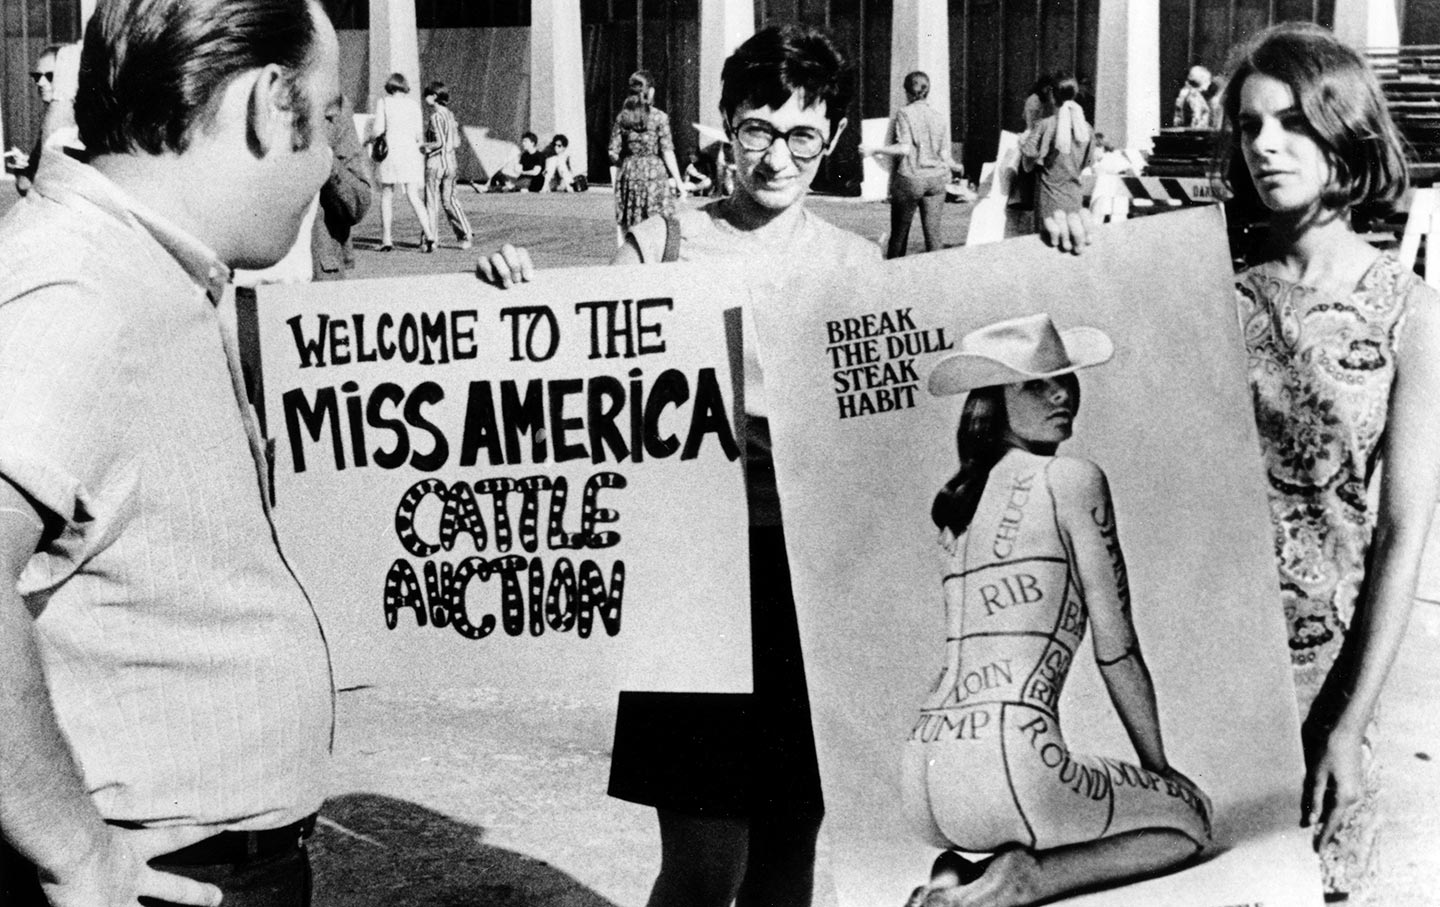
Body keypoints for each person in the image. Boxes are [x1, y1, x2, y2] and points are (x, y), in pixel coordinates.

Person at [481, 25, 879, 907]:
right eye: (757, 131)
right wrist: (506, 302)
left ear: (836, 140)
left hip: (807, 591)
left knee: (788, 859)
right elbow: (570, 381)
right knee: (703, 869)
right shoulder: (659, 244)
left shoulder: (859, 265)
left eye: (803, 135)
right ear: (723, 128)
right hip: (692, 582)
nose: (778, 157)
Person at [0, 1, 341, 905]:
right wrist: (74, 849)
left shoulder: (137, 268)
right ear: (272, 105)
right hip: (160, 870)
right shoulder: (79, 283)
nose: (334, 159)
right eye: (331, 116)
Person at [1220, 23, 1440, 904]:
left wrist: (1350, 723)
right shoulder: (1204, 286)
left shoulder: (1408, 312)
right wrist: (1066, 233)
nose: (1266, 143)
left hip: (1325, 678)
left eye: (1292, 122)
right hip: (1202, 660)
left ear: (1342, 130)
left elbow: (1403, 528)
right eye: (1248, 126)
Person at [903, 314, 1212, 906]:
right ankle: (1021, 882)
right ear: (992, 401)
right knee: (1190, 821)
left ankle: (954, 876)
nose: (1061, 393)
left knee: (996, 824)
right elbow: (1116, 649)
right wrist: (1159, 767)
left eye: (1065, 378)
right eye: (1035, 383)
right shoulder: (1072, 479)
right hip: (1012, 769)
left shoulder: (956, 510)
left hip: (923, 772)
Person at [867, 70, 965, 258]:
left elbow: (904, 148)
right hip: (936, 180)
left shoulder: (904, 113)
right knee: (934, 236)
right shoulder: (939, 117)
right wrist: (956, 166)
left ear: (907, 92)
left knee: (899, 236)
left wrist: (875, 150)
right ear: (928, 91)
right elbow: (945, 155)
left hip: (911, 178)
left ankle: (893, 278)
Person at [609, 69, 686, 246]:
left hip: (629, 174)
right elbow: (667, 151)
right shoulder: (660, 117)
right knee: (658, 224)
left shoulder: (623, 117)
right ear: (650, 91)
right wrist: (679, 183)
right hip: (654, 174)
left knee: (631, 224)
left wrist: (627, 163)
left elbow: (612, 152)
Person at [1020, 76, 1093, 235]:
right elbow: (1088, 161)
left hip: (1048, 197)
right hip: (1074, 196)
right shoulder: (1086, 129)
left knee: (1047, 243)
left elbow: (1029, 152)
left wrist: (1023, 141)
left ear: (1052, 96)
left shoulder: (1046, 125)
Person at [371, 71, 435, 252]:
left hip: (391, 154)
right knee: (413, 195)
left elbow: (378, 130)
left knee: (386, 195)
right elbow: (418, 135)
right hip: (410, 153)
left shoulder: (384, 103)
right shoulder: (413, 105)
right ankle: (429, 234)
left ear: (390, 86)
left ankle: (387, 239)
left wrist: (369, 138)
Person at [314, 92, 372, 279]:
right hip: (249, 283)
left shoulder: (333, 105)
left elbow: (357, 205)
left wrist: (326, 158)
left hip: (319, 274)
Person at [4, 44, 64, 196]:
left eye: (50, 76)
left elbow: (25, 185)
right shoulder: (52, 119)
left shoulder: (63, 123)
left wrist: (22, 171)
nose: (40, 82)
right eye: (37, 76)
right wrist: (27, 165)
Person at [422, 80, 473, 249]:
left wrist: (423, 146)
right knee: (450, 200)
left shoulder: (435, 116)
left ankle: (431, 239)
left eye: (427, 95)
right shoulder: (450, 116)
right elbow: (456, 143)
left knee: (431, 202)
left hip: (435, 164)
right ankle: (465, 234)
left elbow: (439, 143)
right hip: (451, 164)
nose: (425, 99)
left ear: (434, 96)